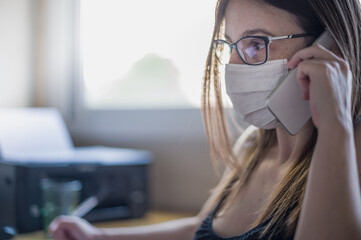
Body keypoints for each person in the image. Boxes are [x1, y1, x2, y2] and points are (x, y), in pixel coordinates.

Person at [49, 0, 361, 239]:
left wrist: (336, 125)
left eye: (256, 44)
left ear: (328, 46)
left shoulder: (351, 149)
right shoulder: (252, 144)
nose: (233, 66)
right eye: (230, 46)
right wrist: (98, 236)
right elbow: (201, 229)